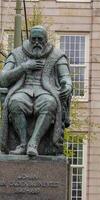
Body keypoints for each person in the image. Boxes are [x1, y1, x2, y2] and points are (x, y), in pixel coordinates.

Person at [0, 25, 72, 156]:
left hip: (46, 92)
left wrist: (67, 86)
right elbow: (3, 79)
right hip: (22, 91)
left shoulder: (57, 55)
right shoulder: (17, 53)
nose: (37, 43)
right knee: (15, 102)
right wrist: (24, 67)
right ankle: (22, 144)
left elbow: (66, 78)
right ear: (29, 39)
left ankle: (33, 143)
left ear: (46, 40)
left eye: (40, 39)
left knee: (50, 103)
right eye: (34, 39)